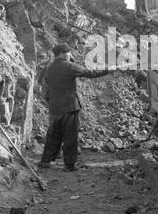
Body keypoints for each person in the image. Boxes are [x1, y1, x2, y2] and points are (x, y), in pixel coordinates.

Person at [38, 43, 112, 172]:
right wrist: (109, 69)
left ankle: (45, 161)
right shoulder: (69, 66)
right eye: (69, 53)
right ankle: (69, 165)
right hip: (69, 107)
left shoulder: (48, 68)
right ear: (63, 53)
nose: (70, 55)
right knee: (70, 136)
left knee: (52, 134)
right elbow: (91, 73)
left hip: (54, 107)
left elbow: (42, 84)